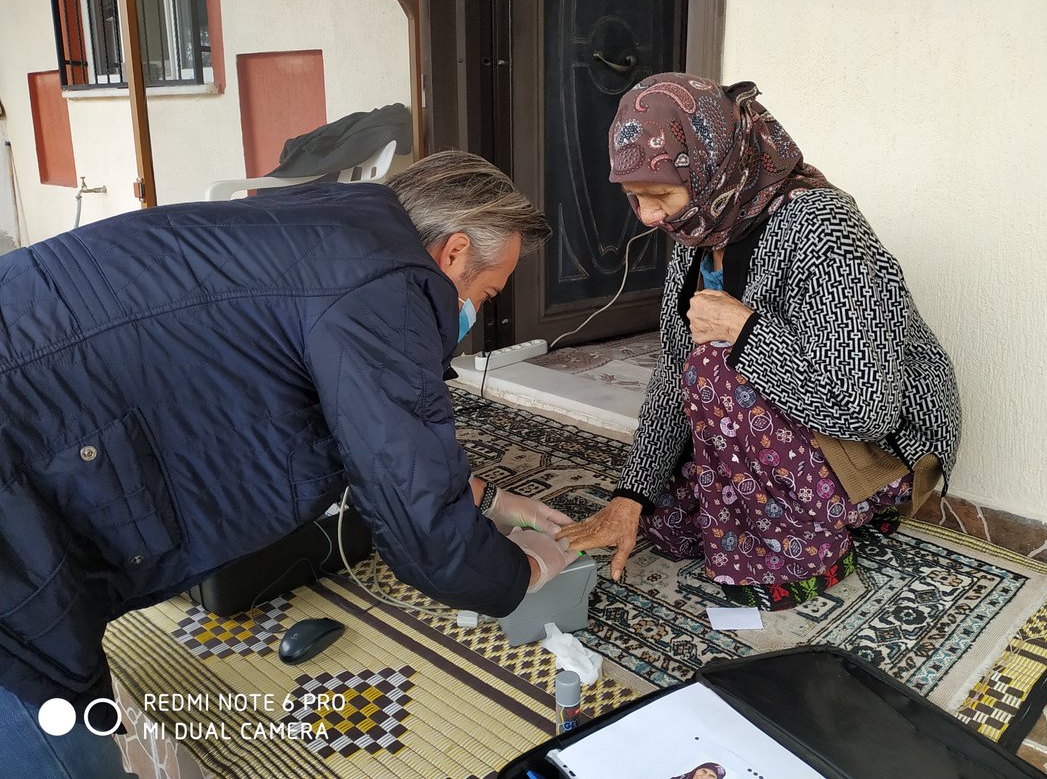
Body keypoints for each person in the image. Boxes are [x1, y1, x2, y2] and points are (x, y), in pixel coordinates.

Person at [0, 150, 577, 776]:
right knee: (47, 699)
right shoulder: (391, 288)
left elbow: (365, 427)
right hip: (21, 437)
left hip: (34, 353)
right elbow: (421, 523)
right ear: (455, 252)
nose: (475, 314)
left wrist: (487, 498)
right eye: (485, 294)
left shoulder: (337, 223)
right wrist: (524, 571)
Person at [559, 73, 961, 611]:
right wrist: (631, 495)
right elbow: (672, 373)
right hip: (792, 427)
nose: (649, 217)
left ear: (712, 167)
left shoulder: (823, 227)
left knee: (714, 367)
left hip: (885, 448)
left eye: (659, 195)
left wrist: (745, 330)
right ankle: (800, 504)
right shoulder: (701, 228)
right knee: (669, 519)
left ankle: (815, 549)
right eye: (634, 198)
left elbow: (867, 411)